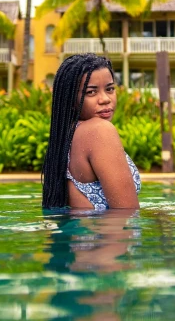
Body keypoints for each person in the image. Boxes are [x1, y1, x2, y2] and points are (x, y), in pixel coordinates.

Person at [41, 54, 141, 210]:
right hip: (106, 233)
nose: (105, 99)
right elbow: (126, 214)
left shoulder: (67, 136)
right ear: (71, 99)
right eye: (91, 92)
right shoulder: (100, 131)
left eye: (110, 89)